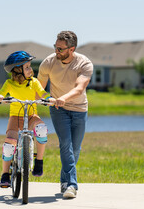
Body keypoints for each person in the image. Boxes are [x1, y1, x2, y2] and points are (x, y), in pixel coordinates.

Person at [37, 31, 93, 199]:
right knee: (66, 144)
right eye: (55, 47)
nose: (56, 51)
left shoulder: (84, 64)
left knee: (75, 148)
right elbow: (38, 88)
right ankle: (72, 185)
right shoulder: (48, 62)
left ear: (71, 49)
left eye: (60, 48)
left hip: (79, 108)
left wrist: (63, 97)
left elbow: (79, 88)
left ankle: (64, 180)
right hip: (58, 109)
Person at [0, 51, 56, 188]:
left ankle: (39, 161)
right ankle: (5, 174)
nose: (30, 69)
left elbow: (43, 93)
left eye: (30, 66)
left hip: (32, 115)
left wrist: (48, 98)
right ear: (17, 70)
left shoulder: (34, 82)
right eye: (26, 67)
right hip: (15, 117)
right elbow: (0, 94)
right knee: (9, 144)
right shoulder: (9, 83)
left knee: (42, 129)